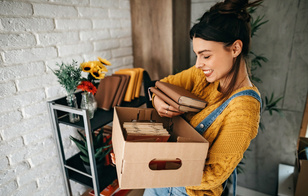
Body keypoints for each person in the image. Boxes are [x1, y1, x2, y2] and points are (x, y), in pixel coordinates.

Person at [142, 0, 263, 195]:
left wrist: (148, 164)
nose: (198, 64)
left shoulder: (244, 108)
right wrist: (158, 101)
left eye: (205, 56)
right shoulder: (203, 75)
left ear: (235, 49)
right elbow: (162, 85)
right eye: (197, 55)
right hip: (160, 178)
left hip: (186, 190)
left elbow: (213, 174)